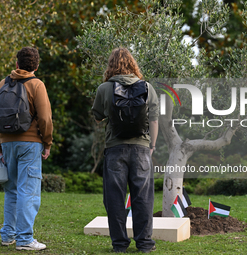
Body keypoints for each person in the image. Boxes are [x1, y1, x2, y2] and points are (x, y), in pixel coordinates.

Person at [92, 47, 159, 253]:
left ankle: (120, 244)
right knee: (143, 197)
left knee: (114, 197)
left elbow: (97, 116)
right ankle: (145, 244)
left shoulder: (105, 88)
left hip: (115, 149)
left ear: (111, 66)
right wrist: (152, 145)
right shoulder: (147, 87)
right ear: (133, 64)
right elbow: (154, 120)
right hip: (141, 148)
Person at [0, 47, 53, 251]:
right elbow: (45, 118)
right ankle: (25, 239)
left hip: (6, 143)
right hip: (30, 143)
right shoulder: (37, 84)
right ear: (36, 66)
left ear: (16, 64)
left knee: (12, 190)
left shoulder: (2, 84)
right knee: (29, 190)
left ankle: (8, 235)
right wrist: (47, 142)